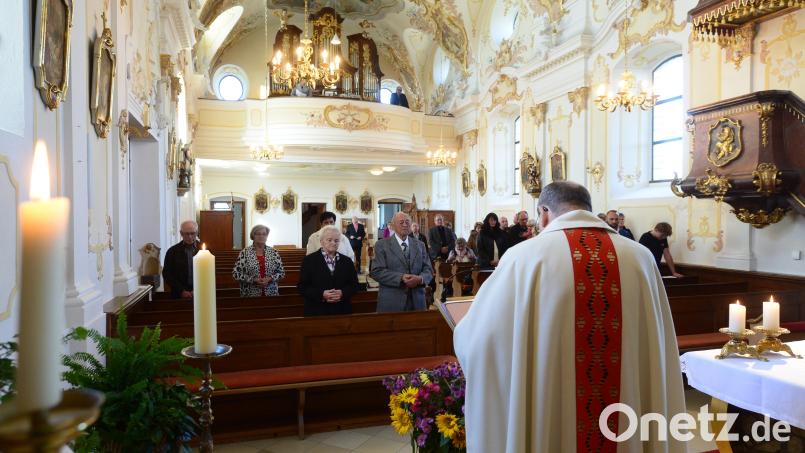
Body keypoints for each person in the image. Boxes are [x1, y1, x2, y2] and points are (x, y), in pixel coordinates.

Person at [454, 181, 686, 453]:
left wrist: (462, 334)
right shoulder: (640, 257)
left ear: (543, 213)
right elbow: (657, 341)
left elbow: (480, 340)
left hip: (548, 409)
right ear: (588, 208)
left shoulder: (523, 257)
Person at [370, 212, 433, 312]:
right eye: (401, 222)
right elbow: (376, 271)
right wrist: (401, 278)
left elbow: (428, 269)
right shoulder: (381, 245)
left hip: (417, 302)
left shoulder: (420, 245)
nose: (405, 225)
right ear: (393, 225)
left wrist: (420, 279)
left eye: (407, 222)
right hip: (391, 302)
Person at [297, 226, 359, 316]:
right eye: (329, 240)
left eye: (336, 240)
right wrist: (321, 294)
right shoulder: (309, 261)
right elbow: (302, 287)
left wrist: (342, 293)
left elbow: (355, 285)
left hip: (342, 311)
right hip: (317, 311)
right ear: (321, 241)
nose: (333, 243)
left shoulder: (347, 261)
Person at [232, 225, 285, 297]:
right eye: (258, 234)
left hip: (271, 294)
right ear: (253, 236)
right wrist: (253, 280)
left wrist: (270, 279)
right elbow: (236, 274)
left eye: (264, 234)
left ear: (267, 236)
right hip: (250, 294)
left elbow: (281, 272)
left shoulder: (274, 252)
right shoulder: (244, 253)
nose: (261, 236)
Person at [162, 220, 200, 298]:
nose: (190, 237)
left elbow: (211, 273)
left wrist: (198, 289)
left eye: (192, 233)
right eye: (187, 234)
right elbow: (167, 274)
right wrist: (181, 291)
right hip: (178, 294)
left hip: (201, 292)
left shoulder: (206, 251)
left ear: (197, 233)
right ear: (181, 233)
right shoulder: (172, 251)